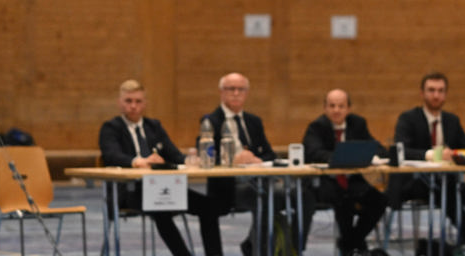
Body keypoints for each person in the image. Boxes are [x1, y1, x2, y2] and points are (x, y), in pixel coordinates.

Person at [98, 79, 223, 256]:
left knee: (209, 207)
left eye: (138, 101)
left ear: (145, 104)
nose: (133, 106)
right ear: (120, 103)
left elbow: (175, 155)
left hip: (162, 187)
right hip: (129, 192)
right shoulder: (111, 128)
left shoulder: (154, 126)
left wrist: (190, 160)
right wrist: (137, 162)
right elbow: (111, 155)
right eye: (128, 101)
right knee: (161, 205)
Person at [390, 72, 465, 256]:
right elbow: (401, 149)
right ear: (422, 93)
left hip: (445, 181)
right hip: (415, 182)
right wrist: (434, 155)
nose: (436, 95)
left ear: (445, 94)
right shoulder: (408, 118)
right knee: (450, 196)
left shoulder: (452, 120)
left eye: (440, 91)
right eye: (431, 90)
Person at [201, 72, 309, 256]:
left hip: (259, 181)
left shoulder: (254, 121)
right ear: (221, 92)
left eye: (240, 89)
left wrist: (258, 160)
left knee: (302, 195)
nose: (236, 93)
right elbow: (206, 156)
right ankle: (259, 250)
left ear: (247, 93)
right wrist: (233, 161)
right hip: (229, 186)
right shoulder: (210, 121)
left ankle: (290, 248)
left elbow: (269, 154)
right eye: (231, 89)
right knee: (265, 198)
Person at [302, 89, 388, 255]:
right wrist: (340, 156)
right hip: (326, 182)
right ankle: (355, 246)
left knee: (380, 200)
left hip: (353, 180)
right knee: (343, 200)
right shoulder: (316, 127)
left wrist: (372, 154)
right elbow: (313, 152)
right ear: (325, 108)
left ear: (348, 108)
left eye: (341, 106)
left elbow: (376, 146)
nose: (336, 110)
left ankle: (350, 243)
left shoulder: (358, 124)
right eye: (332, 106)